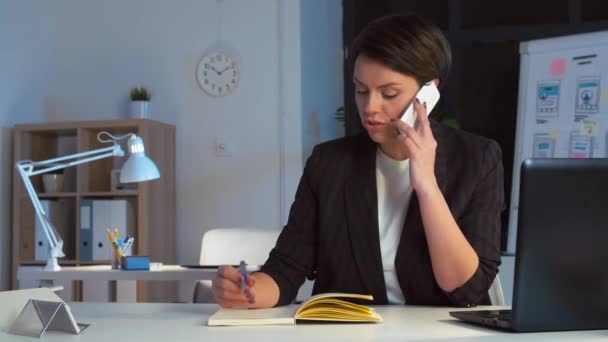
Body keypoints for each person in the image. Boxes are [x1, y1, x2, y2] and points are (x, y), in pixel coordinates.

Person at [212, 13, 504, 308]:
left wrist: (427, 186)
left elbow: (467, 290)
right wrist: (246, 290)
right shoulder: (329, 164)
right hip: (349, 333)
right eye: (361, 90)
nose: (369, 107)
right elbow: (286, 271)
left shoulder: (477, 159)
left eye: (388, 93)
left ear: (429, 92)